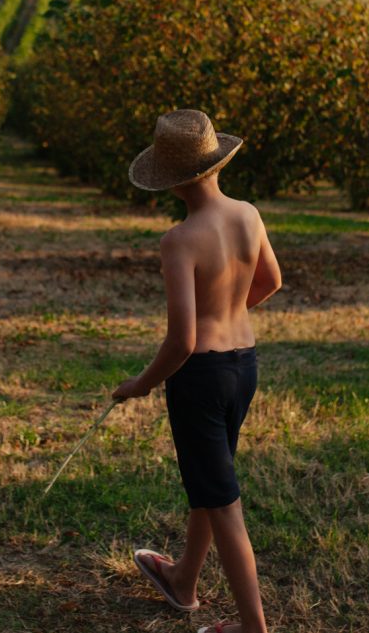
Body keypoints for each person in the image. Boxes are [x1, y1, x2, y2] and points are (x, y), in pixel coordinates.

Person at [112, 109, 283, 633]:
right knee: (212, 485)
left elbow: (183, 341)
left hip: (202, 377)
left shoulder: (179, 241)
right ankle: (183, 579)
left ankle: (253, 628)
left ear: (170, 183)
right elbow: (271, 281)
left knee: (224, 504)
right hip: (244, 366)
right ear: (214, 161)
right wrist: (229, 312)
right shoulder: (248, 215)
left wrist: (140, 384)